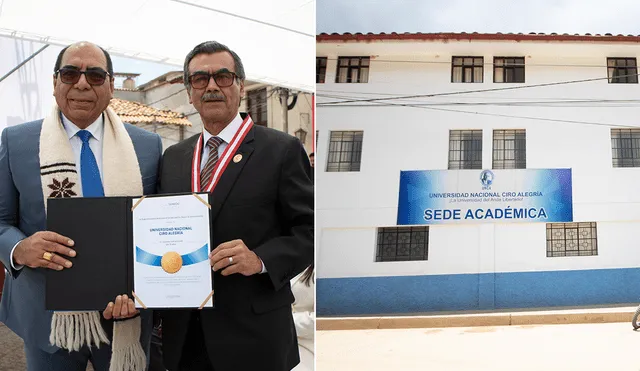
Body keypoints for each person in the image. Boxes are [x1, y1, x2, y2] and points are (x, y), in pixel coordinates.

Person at [0, 41, 161, 371]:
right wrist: (19, 248)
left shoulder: (146, 146)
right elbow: (1, 219)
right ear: (55, 82)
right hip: (47, 318)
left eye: (96, 75)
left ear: (112, 85)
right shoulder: (15, 141)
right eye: (70, 73)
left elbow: (156, 229)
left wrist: (144, 294)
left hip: (124, 315)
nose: (82, 83)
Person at [158, 41, 314, 371]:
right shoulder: (173, 159)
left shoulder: (281, 150)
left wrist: (259, 259)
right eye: (199, 79)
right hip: (185, 337)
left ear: (240, 86)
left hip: (255, 338)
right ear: (189, 92)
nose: (211, 86)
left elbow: (310, 232)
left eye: (223, 76)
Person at [291, 265, 315, 371]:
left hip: (304, 344)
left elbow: (316, 320)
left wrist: (284, 321)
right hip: (271, 338)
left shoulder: (322, 268)